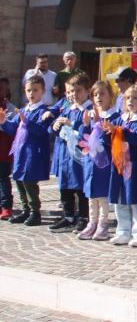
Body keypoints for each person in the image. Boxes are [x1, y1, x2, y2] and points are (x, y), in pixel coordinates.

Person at [0, 75, 50, 226]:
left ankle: (35, 211)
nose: (31, 93)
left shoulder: (43, 111)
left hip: (33, 152)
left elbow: (42, 130)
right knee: (19, 181)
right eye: (28, 90)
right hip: (20, 152)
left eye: (35, 90)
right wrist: (3, 122)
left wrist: (27, 122)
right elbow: (12, 128)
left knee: (29, 182)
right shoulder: (23, 110)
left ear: (43, 91)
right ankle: (25, 210)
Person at [109, 84, 137, 247]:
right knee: (120, 199)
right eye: (128, 98)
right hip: (120, 165)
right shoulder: (120, 119)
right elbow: (107, 135)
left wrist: (121, 132)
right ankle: (123, 231)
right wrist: (106, 133)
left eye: (135, 98)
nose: (131, 101)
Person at [49, 73, 93, 233]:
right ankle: (68, 216)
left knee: (80, 187)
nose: (73, 95)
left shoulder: (90, 110)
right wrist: (55, 125)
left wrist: (72, 124)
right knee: (65, 186)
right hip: (65, 155)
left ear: (87, 91)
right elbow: (57, 126)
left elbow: (89, 132)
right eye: (69, 92)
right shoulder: (68, 108)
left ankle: (83, 217)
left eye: (77, 91)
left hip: (80, 157)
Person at [78, 81, 118, 241]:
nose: (99, 97)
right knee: (91, 194)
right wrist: (86, 125)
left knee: (102, 194)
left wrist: (106, 131)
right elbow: (83, 139)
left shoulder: (114, 116)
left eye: (102, 94)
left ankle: (103, 223)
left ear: (110, 96)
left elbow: (114, 138)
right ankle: (92, 222)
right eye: (95, 95)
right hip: (91, 162)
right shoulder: (92, 115)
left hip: (105, 162)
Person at [0, 79, 14, 219]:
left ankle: (6, 206)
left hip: (4, 150)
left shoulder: (9, 108)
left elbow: (12, 128)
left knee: (3, 178)